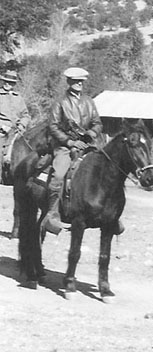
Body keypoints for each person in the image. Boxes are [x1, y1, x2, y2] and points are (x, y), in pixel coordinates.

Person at [43, 67, 109, 235]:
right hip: (64, 147)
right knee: (58, 174)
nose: (79, 84)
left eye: (81, 81)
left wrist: (91, 133)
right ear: (69, 82)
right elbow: (53, 126)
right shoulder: (60, 102)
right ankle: (52, 214)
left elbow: (97, 122)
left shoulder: (89, 101)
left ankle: (109, 213)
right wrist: (70, 141)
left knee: (106, 169)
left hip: (87, 146)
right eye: (76, 81)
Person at [0, 69, 31, 168]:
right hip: (2, 132)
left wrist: (22, 125)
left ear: (14, 84)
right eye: (6, 81)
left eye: (10, 82)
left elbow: (25, 114)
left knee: (28, 152)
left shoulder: (18, 97)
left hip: (16, 131)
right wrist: (2, 126)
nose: (7, 84)